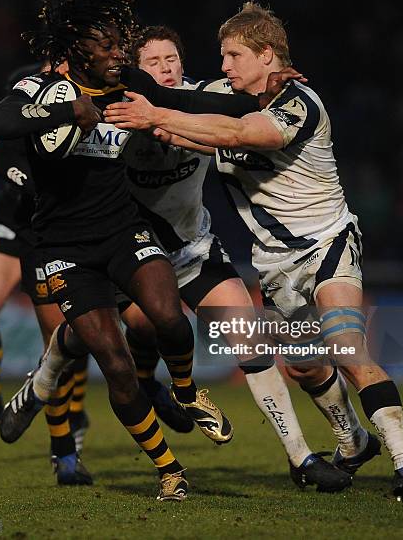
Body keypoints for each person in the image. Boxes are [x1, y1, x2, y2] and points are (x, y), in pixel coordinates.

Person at [104, 2, 403, 502]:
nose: (224, 67)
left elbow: (238, 134)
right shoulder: (227, 100)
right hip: (275, 263)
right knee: (303, 366)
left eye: (233, 55)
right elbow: (182, 117)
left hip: (326, 244)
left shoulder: (300, 103)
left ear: (265, 56)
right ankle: (353, 441)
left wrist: (158, 115)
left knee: (347, 349)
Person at [0, 0, 272, 500]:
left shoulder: (128, 87)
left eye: (121, 45)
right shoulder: (43, 88)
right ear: (80, 52)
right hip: (63, 248)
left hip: (123, 230)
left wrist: (262, 99)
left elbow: (179, 101)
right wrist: (68, 112)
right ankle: (168, 468)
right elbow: (0, 125)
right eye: (109, 47)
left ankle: (185, 392)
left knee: (168, 318)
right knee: (113, 361)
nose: (121, 54)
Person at [117, 24, 352, 492]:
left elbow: (252, 101)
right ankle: (142, 387)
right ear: (135, 71)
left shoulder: (206, 96)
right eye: (152, 63)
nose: (165, 69)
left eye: (172, 60)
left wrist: (278, 80)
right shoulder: (118, 113)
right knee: (139, 329)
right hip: (134, 257)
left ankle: (300, 457)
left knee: (251, 342)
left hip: (193, 252)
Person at [0, 65, 91, 482]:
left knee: (65, 339)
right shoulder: (27, 81)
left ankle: (68, 438)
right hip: (14, 219)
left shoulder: (95, 88)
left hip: (55, 228)